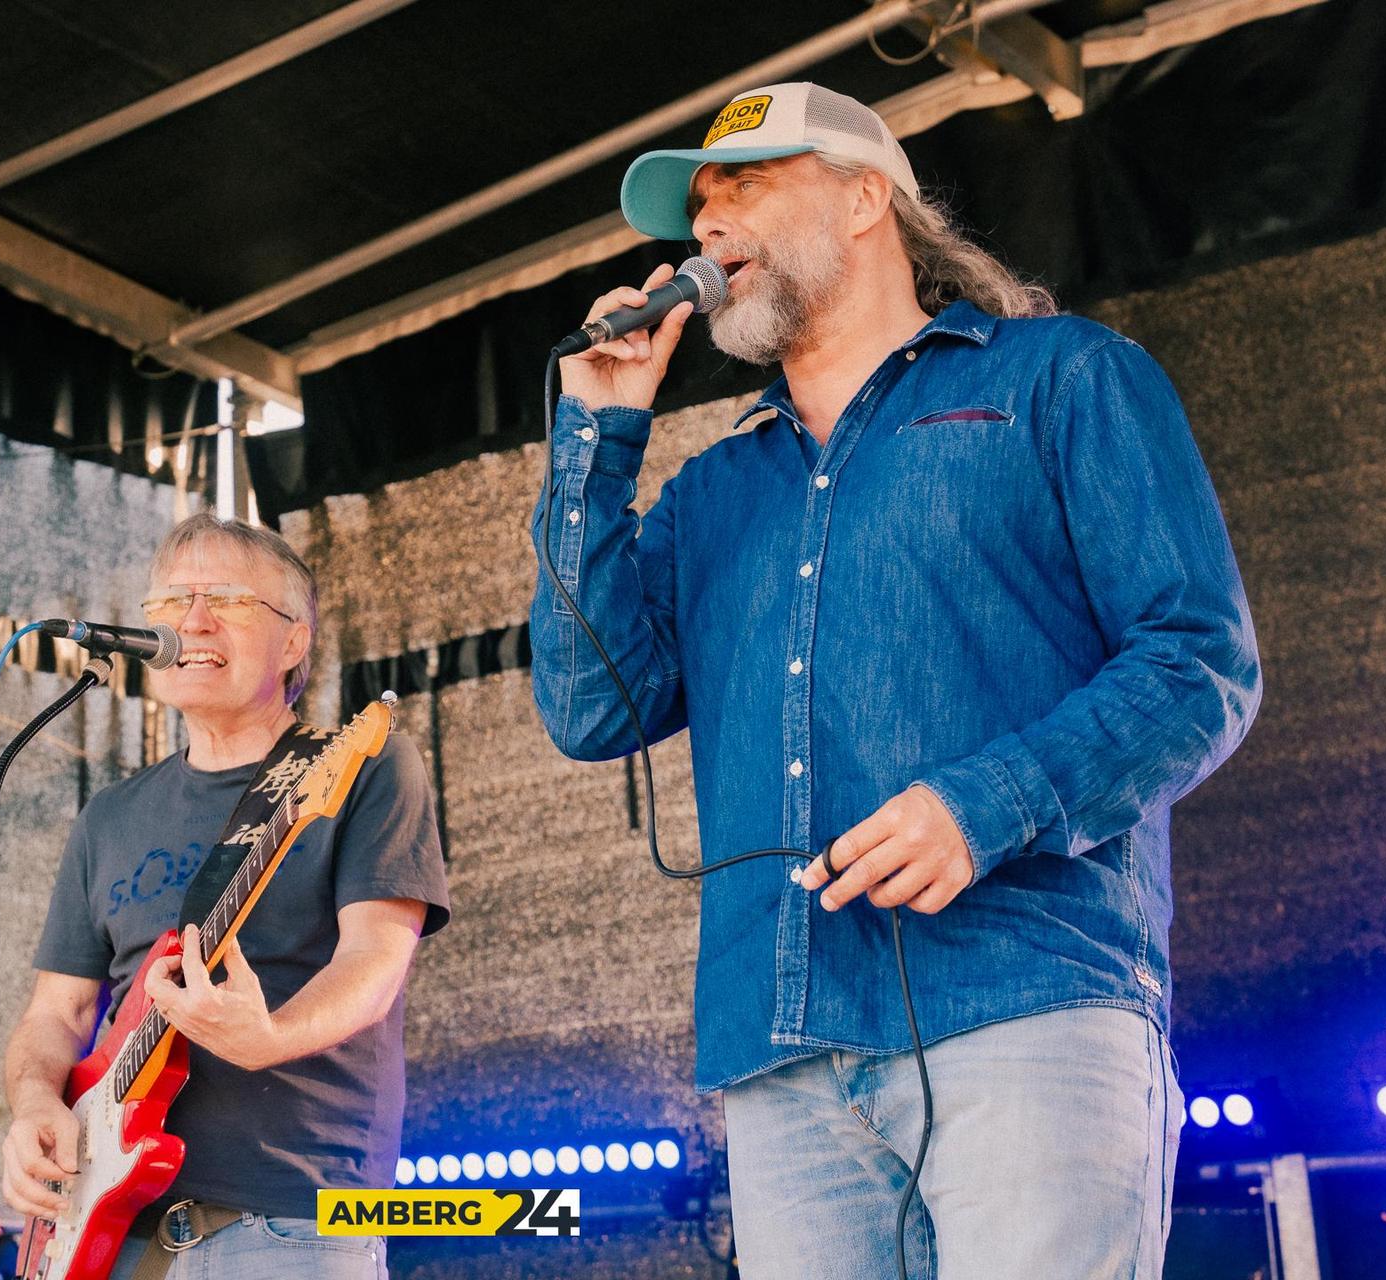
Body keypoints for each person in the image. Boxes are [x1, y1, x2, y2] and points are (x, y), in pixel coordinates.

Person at [528, 82, 1260, 1279]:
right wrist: (597, 439)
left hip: (1025, 996)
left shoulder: (1060, 379)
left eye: (743, 188)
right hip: (782, 1044)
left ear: (868, 196)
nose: (706, 231)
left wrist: (986, 804)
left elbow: (1200, 660)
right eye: (695, 213)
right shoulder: (713, 492)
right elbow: (589, 703)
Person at [2, 512, 449, 1280]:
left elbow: (376, 960)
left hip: (293, 1221)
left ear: (294, 641)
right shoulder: (109, 817)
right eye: (170, 605)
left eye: (231, 601)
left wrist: (269, 1035)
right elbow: (57, 1014)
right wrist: (36, 1104)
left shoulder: (362, 768)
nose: (194, 622)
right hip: (113, 1226)